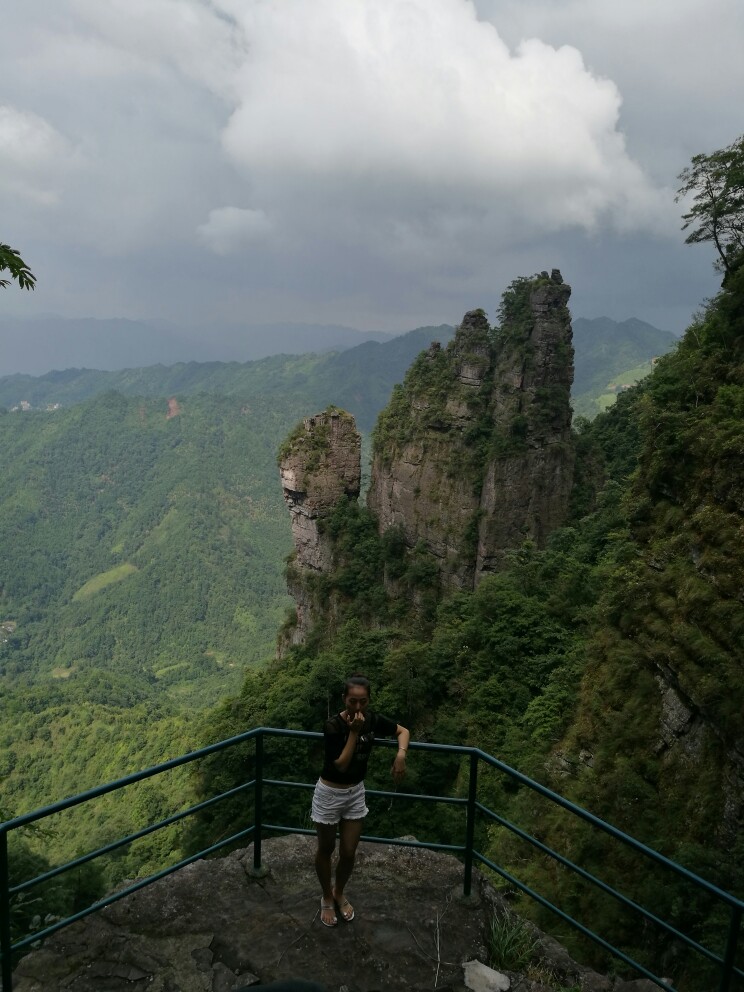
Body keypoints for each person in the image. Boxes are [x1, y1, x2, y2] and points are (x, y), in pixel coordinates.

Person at [311, 673, 410, 927]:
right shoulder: (333, 726)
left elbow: (403, 731)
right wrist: (354, 733)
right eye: (352, 701)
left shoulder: (372, 719)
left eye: (362, 702)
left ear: (368, 701)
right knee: (326, 849)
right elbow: (341, 765)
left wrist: (400, 755)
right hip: (330, 793)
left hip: (355, 793)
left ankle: (339, 892)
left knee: (348, 851)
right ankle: (325, 895)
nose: (357, 707)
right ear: (344, 699)